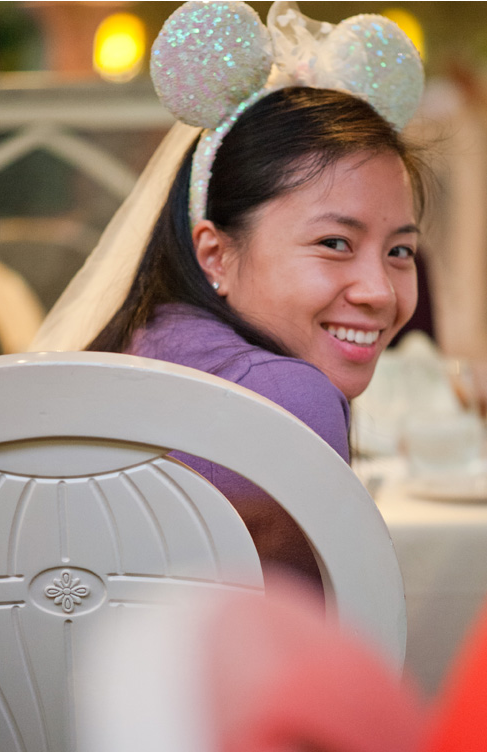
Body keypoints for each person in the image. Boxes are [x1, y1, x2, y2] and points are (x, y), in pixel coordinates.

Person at [40, 1, 427, 587]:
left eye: (400, 251)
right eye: (334, 242)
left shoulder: (146, 339)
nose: (379, 291)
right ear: (216, 253)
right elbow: (310, 650)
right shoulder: (291, 398)